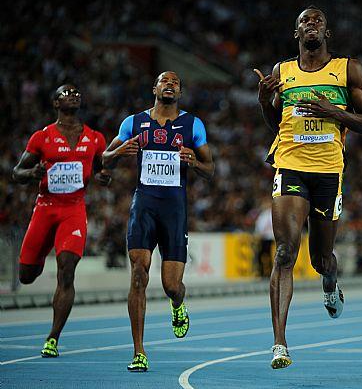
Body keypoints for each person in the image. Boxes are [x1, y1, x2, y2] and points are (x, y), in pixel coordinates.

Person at [253, 6, 362, 369]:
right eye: (305, 21)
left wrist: (333, 112)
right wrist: (264, 101)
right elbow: (274, 122)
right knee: (284, 254)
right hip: (290, 165)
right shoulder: (282, 71)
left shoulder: (348, 69)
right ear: (297, 33)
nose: (312, 25)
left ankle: (330, 282)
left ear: (327, 32)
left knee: (322, 260)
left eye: (318, 21)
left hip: (328, 172)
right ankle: (279, 344)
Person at [102, 71, 214, 372]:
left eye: (176, 82)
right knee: (139, 273)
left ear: (180, 92)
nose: (171, 85)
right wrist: (118, 151)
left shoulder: (193, 124)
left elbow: (210, 167)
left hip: (174, 210)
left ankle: (178, 304)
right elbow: (105, 157)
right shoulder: (134, 123)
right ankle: (139, 351)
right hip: (145, 206)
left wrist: (195, 162)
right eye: (165, 81)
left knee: (171, 285)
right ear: (155, 88)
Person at [12, 84, 111, 358]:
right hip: (45, 208)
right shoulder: (42, 137)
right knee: (26, 275)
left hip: (73, 210)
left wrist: (104, 177)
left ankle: (52, 338)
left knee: (67, 270)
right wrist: (32, 172)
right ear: (56, 103)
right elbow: (17, 172)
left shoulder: (95, 138)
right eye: (66, 93)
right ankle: (39, 255)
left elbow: (103, 169)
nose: (74, 95)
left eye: (77, 93)